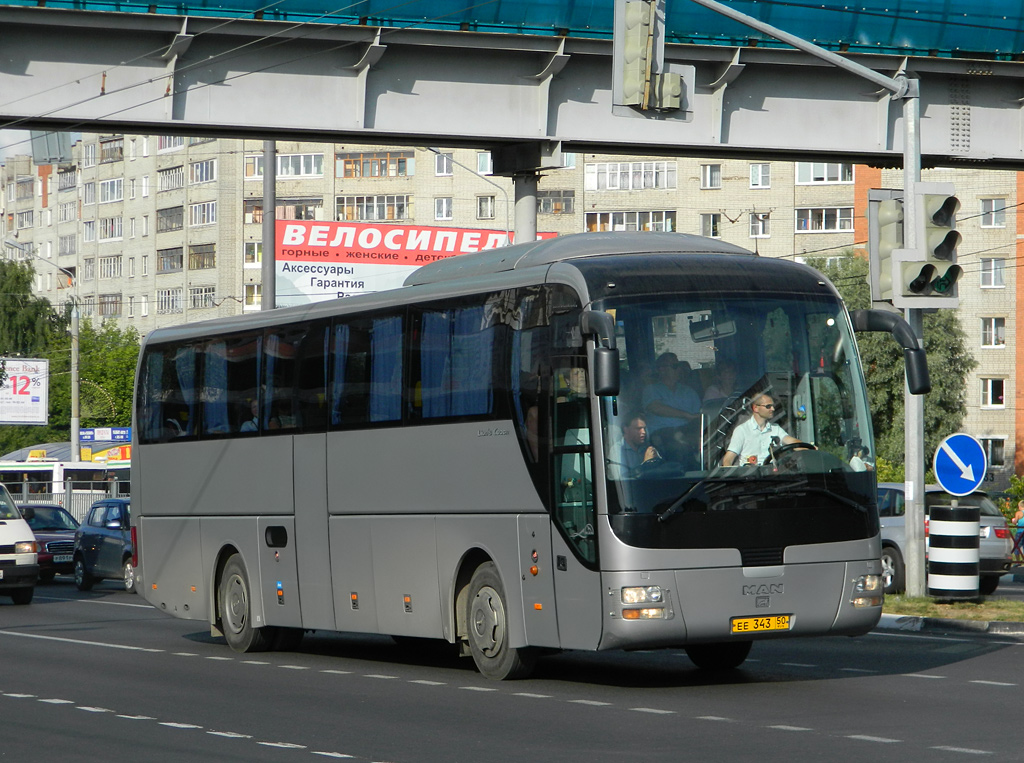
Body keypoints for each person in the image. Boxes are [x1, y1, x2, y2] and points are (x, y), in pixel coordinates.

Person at [642, 353, 701, 459]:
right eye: (675, 366)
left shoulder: (689, 391)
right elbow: (656, 408)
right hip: (661, 433)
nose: (679, 369)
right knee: (679, 447)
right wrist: (685, 415)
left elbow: (699, 416)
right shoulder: (651, 390)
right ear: (662, 369)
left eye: (679, 366)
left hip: (686, 432)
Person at [722, 392, 801, 466]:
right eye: (768, 406)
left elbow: (793, 442)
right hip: (749, 477)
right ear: (755, 408)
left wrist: (809, 448)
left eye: (773, 406)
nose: (773, 409)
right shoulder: (742, 430)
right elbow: (728, 459)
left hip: (772, 476)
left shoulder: (775, 428)